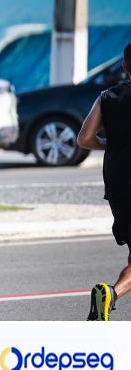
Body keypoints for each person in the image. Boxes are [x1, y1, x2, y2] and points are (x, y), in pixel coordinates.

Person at [78, 42, 131, 321]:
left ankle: (108, 298)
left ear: (125, 66)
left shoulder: (107, 97)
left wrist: (109, 144)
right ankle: (111, 294)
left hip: (118, 183)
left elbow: (84, 139)